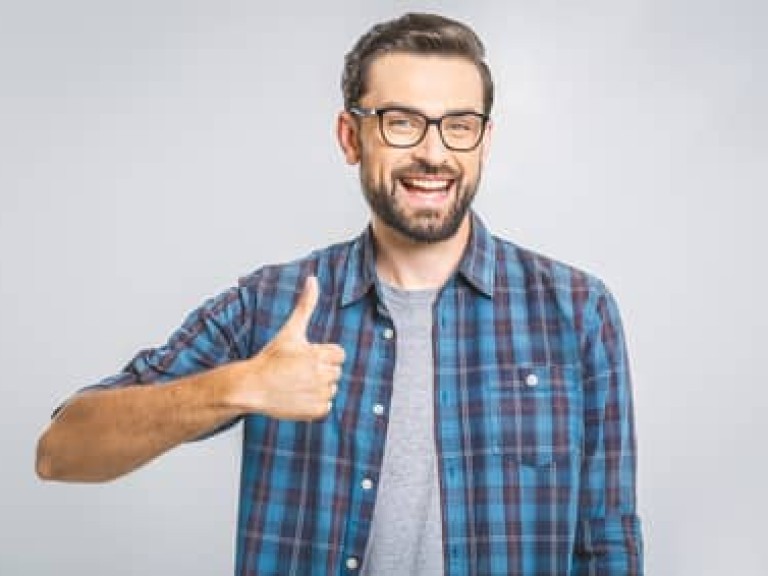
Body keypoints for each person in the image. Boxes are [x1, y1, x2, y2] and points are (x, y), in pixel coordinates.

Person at [36, 12, 643, 575]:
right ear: (350, 137)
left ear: (483, 142)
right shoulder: (271, 306)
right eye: (402, 122)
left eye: (459, 126)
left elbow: (607, 540)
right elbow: (62, 450)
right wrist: (239, 385)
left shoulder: (576, 311)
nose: (433, 153)